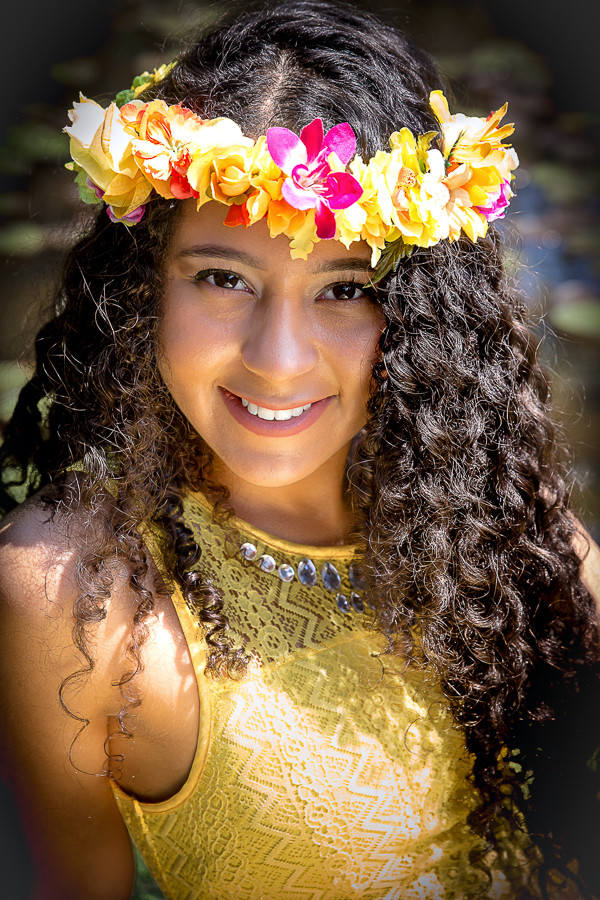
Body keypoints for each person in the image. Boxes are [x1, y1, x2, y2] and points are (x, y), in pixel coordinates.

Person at [1, 2, 599, 898]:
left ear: (426, 312)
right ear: (143, 286)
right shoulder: (80, 597)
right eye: (223, 277)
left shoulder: (498, 521)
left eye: (346, 288)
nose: (277, 361)